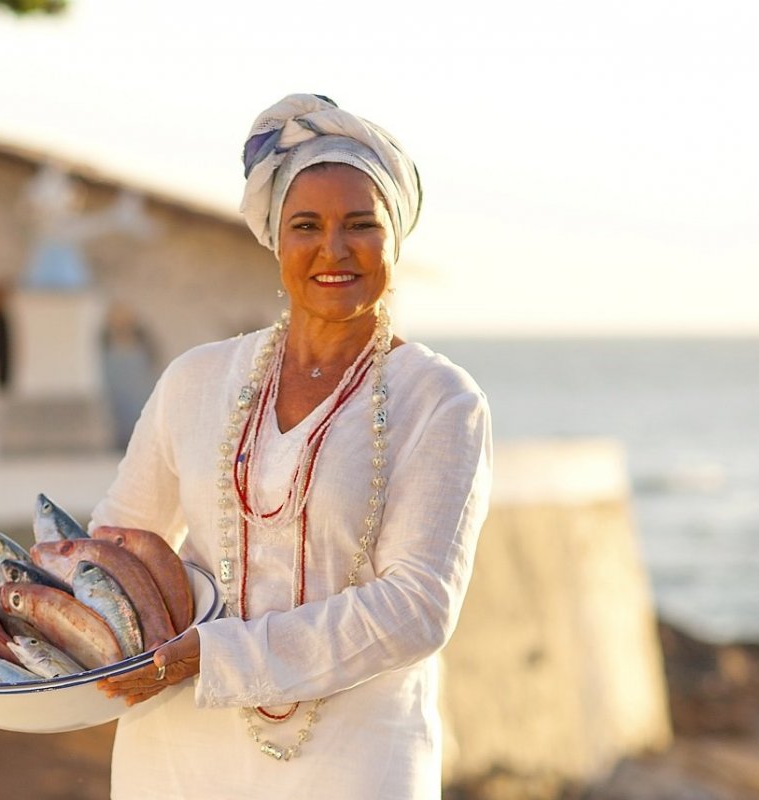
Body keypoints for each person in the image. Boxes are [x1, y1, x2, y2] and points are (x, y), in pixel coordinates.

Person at [93, 93, 493, 799]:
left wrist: (208, 657)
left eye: (361, 225)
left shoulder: (441, 401)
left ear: (395, 237)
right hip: (174, 758)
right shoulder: (196, 379)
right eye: (306, 225)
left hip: (357, 761)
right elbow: (118, 548)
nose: (333, 249)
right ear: (277, 239)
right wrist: (4, 659)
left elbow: (416, 607)